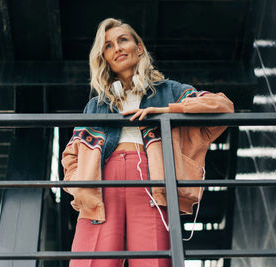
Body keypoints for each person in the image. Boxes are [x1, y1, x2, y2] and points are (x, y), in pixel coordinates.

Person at [61, 18, 234, 267]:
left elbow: (223, 106)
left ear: (138, 47)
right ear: (105, 58)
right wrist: (82, 184)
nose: (117, 48)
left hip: (151, 181)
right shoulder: (96, 105)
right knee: (92, 260)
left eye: (123, 40)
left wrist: (167, 111)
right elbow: (71, 157)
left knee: (152, 260)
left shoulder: (169, 90)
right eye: (108, 46)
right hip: (101, 184)